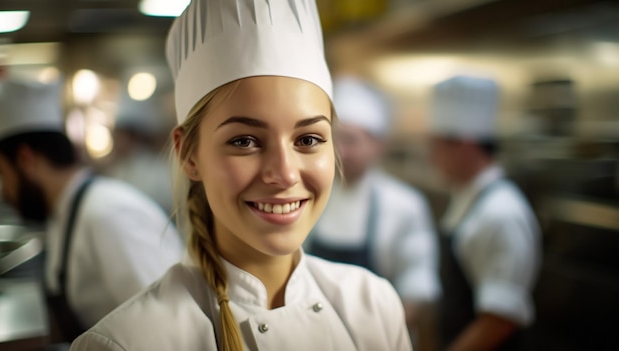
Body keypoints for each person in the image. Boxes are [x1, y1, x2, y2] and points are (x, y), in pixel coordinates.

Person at [70, 0, 412, 350]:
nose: (283, 173)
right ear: (188, 154)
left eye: (308, 139)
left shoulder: (373, 306)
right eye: (245, 141)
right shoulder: (126, 343)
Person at [0, 79, 184, 341]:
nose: (3, 191)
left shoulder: (107, 214)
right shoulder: (67, 213)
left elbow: (173, 330)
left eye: (1, 173)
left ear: (26, 159)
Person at [306, 76, 440, 333]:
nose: (342, 151)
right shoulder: (311, 194)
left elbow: (418, 286)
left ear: (378, 145)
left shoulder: (404, 204)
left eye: (352, 141)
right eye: (336, 139)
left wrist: (372, 334)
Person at [427, 75, 541, 351]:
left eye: (437, 145)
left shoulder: (501, 213)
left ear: (465, 146)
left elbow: (499, 319)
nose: (431, 155)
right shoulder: (467, 196)